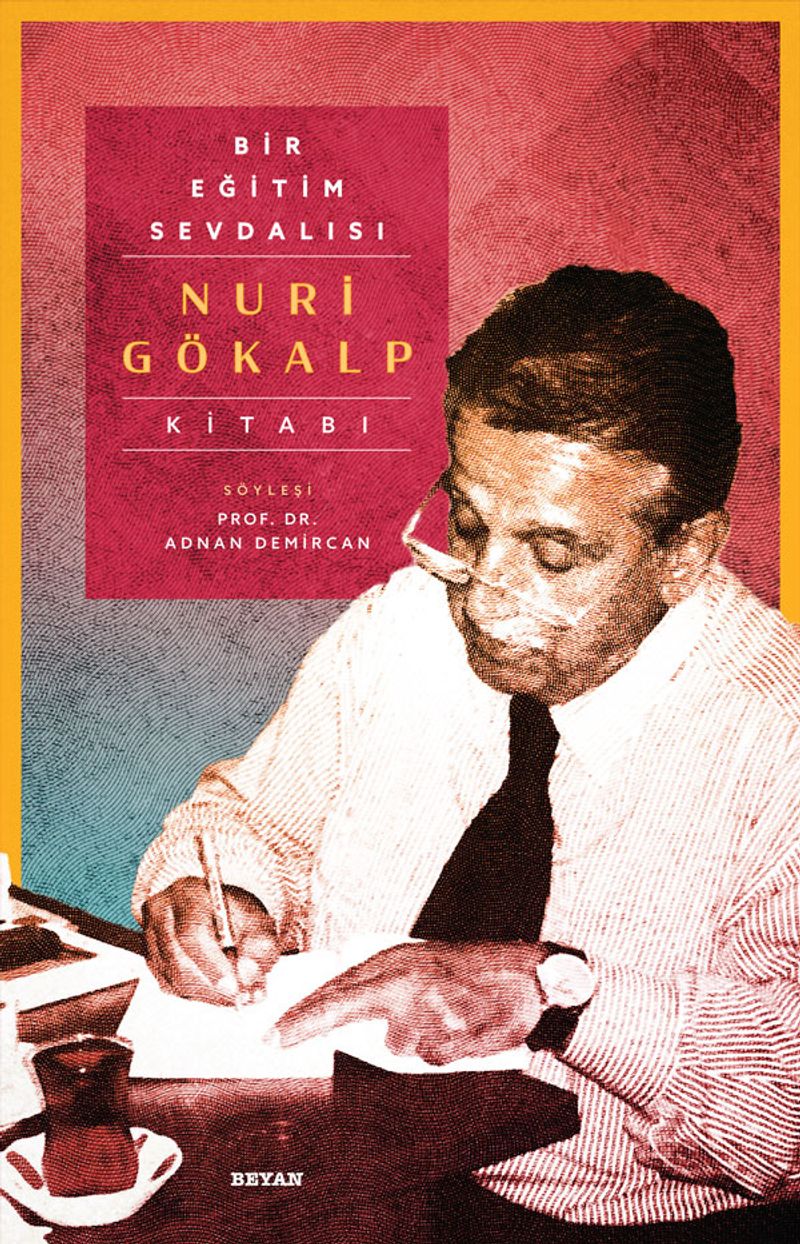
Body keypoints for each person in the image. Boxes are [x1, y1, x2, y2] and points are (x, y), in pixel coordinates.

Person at [134, 267, 800, 1240]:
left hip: (603, 1221)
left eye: (554, 556)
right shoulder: (401, 626)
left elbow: (780, 1118)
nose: (483, 595)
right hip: (343, 1168)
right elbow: (243, 818)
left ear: (683, 553)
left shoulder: (778, 738)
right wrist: (220, 890)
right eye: (470, 526)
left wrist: (556, 995)